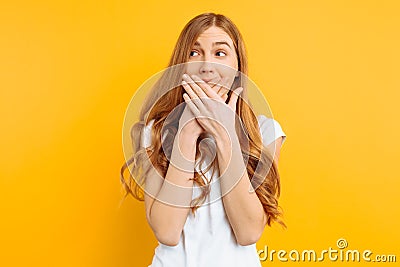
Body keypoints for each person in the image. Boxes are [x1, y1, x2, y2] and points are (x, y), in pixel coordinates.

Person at [120, 12, 287, 267]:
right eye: (194, 53)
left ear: (237, 68)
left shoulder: (265, 132)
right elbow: (167, 232)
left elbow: (249, 233)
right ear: (181, 66)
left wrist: (225, 134)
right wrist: (187, 131)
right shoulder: (154, 132)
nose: (207, 66)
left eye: (220, 53)